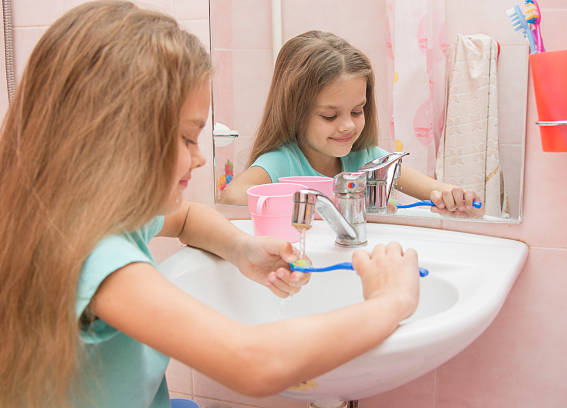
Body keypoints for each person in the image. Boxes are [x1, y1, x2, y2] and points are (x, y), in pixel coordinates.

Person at [0, 3, 421, 407]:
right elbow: (255, 363)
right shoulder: (99, 258)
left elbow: (185, 219)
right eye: (187, 138)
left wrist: (242, 249)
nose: (200, 157)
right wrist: (390, 301)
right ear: (115, 140)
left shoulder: (86, 214)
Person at [221, 30, 483, 218]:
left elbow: (434, 190)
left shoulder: (367, 160)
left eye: (357, 111)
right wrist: (330, 200)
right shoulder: (281, 162)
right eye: (330, 116)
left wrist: (453, 195)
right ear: (294, 113)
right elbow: (232, 196)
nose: (347, 126)